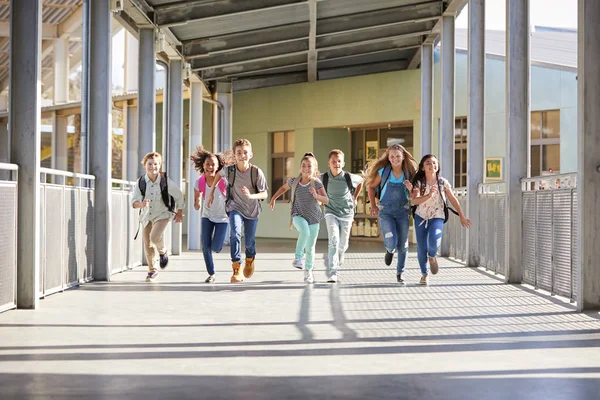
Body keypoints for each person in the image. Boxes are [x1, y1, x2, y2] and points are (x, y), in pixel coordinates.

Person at [207, 139, 268, 283]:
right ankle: (236, 267)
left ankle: (249, 258)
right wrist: (211, 192)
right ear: (234, 155)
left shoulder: (256, 172)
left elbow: (264, 194)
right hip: (235, 207)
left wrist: (251, 195)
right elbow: (218, 175)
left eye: (245, 152)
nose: (242, 155)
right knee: (235, 232)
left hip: (252, 211)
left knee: (249, 241)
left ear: (251, 154)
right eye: (239, 153)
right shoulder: (230, 170)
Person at [410, 154, 472, 285]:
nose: (432, 165)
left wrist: (461, 215)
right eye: (428, 163)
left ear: (437, 166)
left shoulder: (442, 182)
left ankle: (432, 257)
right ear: (422, 167)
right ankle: (424, 274)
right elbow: (414, 200)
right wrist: (428, 195)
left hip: (437, 216)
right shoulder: (419, 183)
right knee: (421, 247)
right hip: (421, 217)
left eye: (434, 163)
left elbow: (453, 199)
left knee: (434, 242)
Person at [269, 153, 328, 283]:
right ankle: (298, 258)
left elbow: (326, 199)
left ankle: (308, 272)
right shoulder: (294, 181)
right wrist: (273, 198)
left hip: (314, 218)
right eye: (303, 165)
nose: (306, 168)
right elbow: (283, 188)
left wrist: (317, 196)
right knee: (304, 231)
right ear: (300, 167)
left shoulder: (316, 182)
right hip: (297, 215)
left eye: (309, 166)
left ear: (314, 168)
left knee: (311, 247)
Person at [364, 144, 417, 284]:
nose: (395, 159)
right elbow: (371, 187)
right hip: (386, 211)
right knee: (391, 240)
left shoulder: (408, 173)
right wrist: (373, 206)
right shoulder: (384, 172)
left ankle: (401, 272)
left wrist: (410, 189)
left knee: (403, 245)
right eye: (392, 156)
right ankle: (389, 250)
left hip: (402, 211)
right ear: (388, 157)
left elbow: (414, 195)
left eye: (398, 156)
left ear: (403, 156)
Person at [131, 152, 184, 282]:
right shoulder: (141, 182)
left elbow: (178, 196)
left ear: (159, 165)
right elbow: (134, 201)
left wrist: (179, 212)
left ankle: (162, 251)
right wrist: (141, 204)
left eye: (156, 164)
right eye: (150, 164)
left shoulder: (165, 181)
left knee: (154, 237)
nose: (153, 166)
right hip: (147, 216)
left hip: (163, 213)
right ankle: (152, 271)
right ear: (145, 165)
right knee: (148, 244)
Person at [321, 149, 363, 283]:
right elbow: (314, 182)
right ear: (328, 163)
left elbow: (361, 181)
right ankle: (333, 271)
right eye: (333, 161)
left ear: (343, 163)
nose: (336, 164)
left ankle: (341, 252)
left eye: (339, 161)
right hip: (330, 211)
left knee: (343, 244)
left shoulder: (349, 177)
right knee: (333, 239)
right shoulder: (324, 177)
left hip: (346, 213)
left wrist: (355, 197)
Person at [190, 146, 228, 283]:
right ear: (203, 166)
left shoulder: (223, 182)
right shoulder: (199, 182)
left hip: (223, 218)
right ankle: (211, 273)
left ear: (218, 167)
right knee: (205, 246)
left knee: (216, 247)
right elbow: (197, 198)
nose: (210, 167)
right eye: (207, 164)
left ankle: (216, 247)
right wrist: (197, 203)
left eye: (213, 165)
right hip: (207, 216)